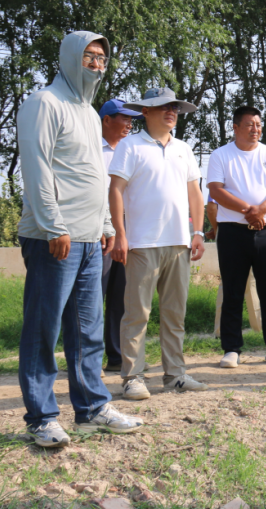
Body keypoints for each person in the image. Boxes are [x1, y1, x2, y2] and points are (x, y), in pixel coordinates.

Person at [16, 31, 143, 447]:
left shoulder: (89, 113)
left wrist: (106, 224)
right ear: (71, 56)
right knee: (43, 328)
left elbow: (93, 173)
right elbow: (36, 167)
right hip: (55, 237)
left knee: (88, 330)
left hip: (90, 239)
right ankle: (41, 418)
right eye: (90, 56)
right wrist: (54, 225)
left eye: (102, 58)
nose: (96, 64)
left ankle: (91, 409)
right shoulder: (44, 103)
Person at [108, 88, 209, 400]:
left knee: (174, 313)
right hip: (142, 243)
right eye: (164, 107)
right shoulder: (130, 146)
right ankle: (132, 377)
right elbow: (115, 190)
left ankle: (175, 375)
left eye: (175, 108)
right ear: (146, 112)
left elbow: (195, 193)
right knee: (137, 314)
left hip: (179, 242)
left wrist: (198, 232)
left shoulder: (183, 149)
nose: (171, 112)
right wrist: (120, 234)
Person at [206, 105, 266, 369]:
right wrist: (249, 211)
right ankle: (231, 349)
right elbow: (216, 191)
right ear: (235, 127)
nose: (256, 129)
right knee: (233, 291)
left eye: (258, 124)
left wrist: (261, 210)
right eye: (250, 124)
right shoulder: (221, 155)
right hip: (232, 232)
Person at [98, 99, 141, 372]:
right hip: (99, 230)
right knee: (94, 295)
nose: (129, 124)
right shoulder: (91, 150)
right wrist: (105, 227)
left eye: (131, 120)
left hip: (127, 227)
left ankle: (116, 356)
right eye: (124, 118)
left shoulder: (131, 150)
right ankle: (89, 359)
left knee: (121, 295)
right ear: (106, 120)